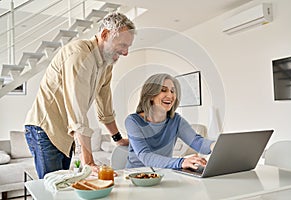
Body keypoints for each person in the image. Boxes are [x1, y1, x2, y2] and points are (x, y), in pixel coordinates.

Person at [24, 12, 136, 178]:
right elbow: (77, 110)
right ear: (105, 35)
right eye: (122, 45)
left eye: (128, 47)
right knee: (52, 188)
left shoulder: (107, 64)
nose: (125, 52)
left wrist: (117, 139)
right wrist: (88, 161)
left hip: (66, 132)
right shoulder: (79, 55)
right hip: (46, 129)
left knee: (63, 187)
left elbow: (104, 107)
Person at [125, 73, 215, 170]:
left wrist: (215, 146)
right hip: (135, 176)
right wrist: (181, 162)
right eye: (163, 90)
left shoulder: (176, 121)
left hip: (163, 174)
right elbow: (146, 156)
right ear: (150, 95)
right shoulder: (133, 121)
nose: (170, 95)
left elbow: (198, 142)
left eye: (173, 91)